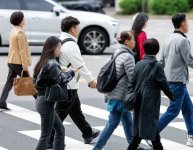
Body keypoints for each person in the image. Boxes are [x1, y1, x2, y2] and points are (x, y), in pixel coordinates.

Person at [48, 16, 100, 148]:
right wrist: (91, 80)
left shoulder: (61, 39)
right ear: (72, 29)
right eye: (77, 27)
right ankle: (49, 140)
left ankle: (87, 133)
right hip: (68, 85)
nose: (79, 29)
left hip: (66, 83)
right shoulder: (71, 44)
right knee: (60, 113)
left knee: (75, 110)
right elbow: (80, 65)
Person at [159, 13, 193, 147]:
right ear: (182, 24)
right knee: (173, 110)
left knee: (188, 109)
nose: (188, 25)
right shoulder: (183, 41)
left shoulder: (168, 39)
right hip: (177, 81)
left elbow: (161, 61)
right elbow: (190, 61)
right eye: (187, 22)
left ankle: (192, 136)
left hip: (171, 80)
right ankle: (151, 133)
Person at [127, 38, 175, 150]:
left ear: (144, 50)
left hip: (138, 101)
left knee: (142, 131)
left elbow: (131, 83)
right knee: (146, 133)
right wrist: (172, 96)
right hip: (150, 103)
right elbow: (163, 83)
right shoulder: (157, 66)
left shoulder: (138, 64)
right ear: (157, 50)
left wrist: (132, 96)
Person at [93, 31, 135, 150]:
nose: (134, 43)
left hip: (115, 93)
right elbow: (133, 78)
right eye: (133, 40)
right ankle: (97, 148)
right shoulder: (128, 56)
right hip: (120, 96)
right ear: (127, 41)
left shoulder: (117, 52)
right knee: (113, 123)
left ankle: (133, 146)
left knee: (128, 122)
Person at [33, 36, 76, 150]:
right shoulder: (53, 64)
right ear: (53, 48)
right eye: (59, 47)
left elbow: (38, 81)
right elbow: (61, 80)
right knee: (45, 136)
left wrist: (59, 72)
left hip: (42, 101)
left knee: (60, 129)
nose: (60, 50)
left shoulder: (43, 61)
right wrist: (71, 72)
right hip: (46, 103)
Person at [0, 11, 32, 111]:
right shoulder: (20, 32)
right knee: (29, 83)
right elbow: (22, 50)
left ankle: (1, 102)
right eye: (23, 18)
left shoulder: (13, 30)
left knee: (9, 82)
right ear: (20, 20)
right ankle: (42, 102)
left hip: (11, 60)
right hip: (18, 62)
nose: (24, 20)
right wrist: (25, 66)